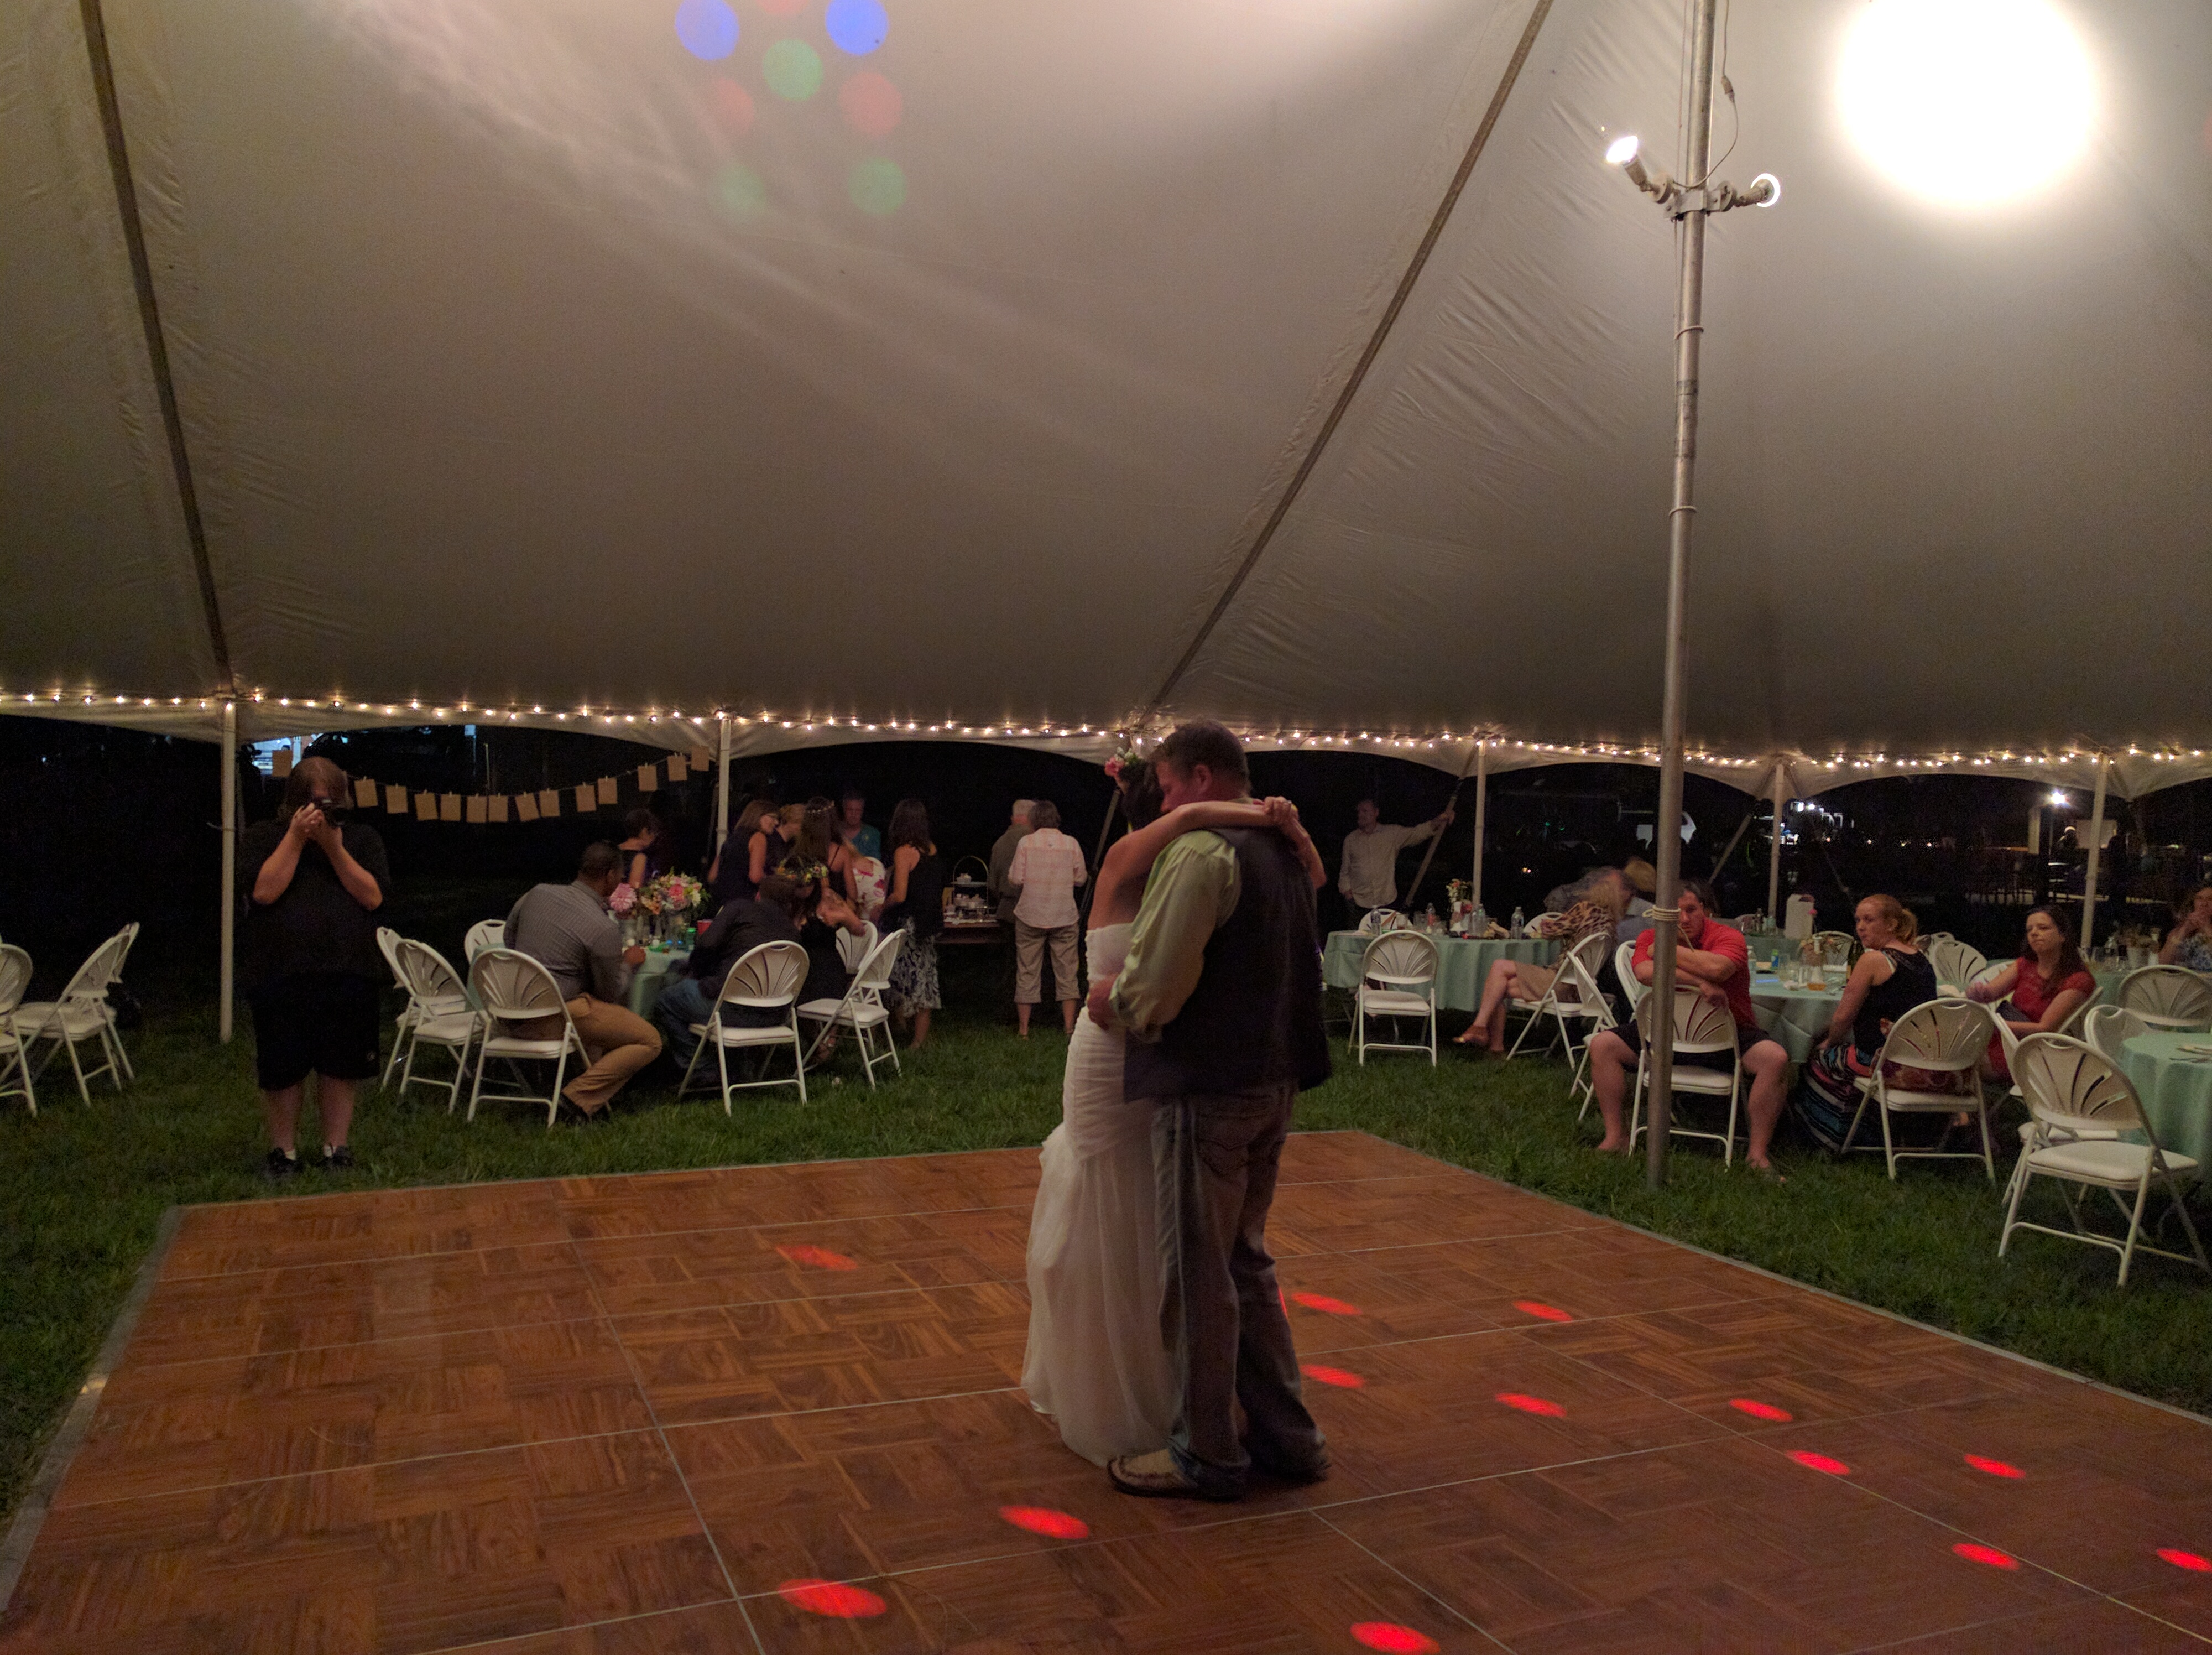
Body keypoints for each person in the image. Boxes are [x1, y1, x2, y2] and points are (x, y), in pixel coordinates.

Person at [1025, 756, 1323, 1467]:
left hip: (1168, 1053)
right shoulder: (1131, 859)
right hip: (1110, 1056)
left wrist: (1285, 826)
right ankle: (1138, 1390)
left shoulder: (1190, 869)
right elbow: (1190, 813)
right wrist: (1266, 813)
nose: (1171, 806)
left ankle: (1186, 1405)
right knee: (1123, 1202)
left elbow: (1301, 878)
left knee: (1178, 1229)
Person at [1583, 879, 1794, 1181]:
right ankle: (1616, 1137)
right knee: (1602, 1045)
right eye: (1675, 912)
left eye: (1691, 910)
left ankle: (1757, 1155)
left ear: (1705, 910)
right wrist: (1698, 982)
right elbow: (1644, 972)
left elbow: (1718, 969)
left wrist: (1664, 950)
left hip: (1729, 1036)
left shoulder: (1727, 936)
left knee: (1776, 1059)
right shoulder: (1648, 936)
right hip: (1662, 1036)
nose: (1683, 919)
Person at [239, 757, 389, 1178]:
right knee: (282, 1068)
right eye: (314, 804)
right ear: (294, 803)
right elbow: (264, 892)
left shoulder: (361, 839)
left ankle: (336, 1148)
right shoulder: (264, 836)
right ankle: (283, 1152)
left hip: (348, 969)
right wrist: (295, 837)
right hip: (280, 971)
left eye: (331, 804)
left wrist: (333, 847)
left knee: (341, 1064)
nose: (322, 814)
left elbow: (373, 897)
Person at [503, 843, 664, 1116]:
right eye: (621, 875)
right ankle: (576, 1098)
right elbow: (611, 993)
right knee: (650, 1040)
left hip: (507, 1009)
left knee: (591, 1009)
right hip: (553, 1017)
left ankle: (569, 1078)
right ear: (610, 875)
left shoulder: (536, 893)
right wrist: (628, 964)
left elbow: (510, 938)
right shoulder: (601, 927)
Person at [1791, 894, 1941, 1153]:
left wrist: (1830, 1042)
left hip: (1881, 1060)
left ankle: (1826, 1137)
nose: (1861, 927)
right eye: (1858, 920)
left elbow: (1843, 1017)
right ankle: (1875, 1128)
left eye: (1869, 920)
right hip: (1925, 1059)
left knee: (1817, 1057)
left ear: (1892, 924)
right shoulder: (1920, 958)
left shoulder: (1874, 960)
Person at [653, 875, 805, 1074]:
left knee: (666, 999)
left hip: (730, 1009)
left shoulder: (740, 908)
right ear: (789, 904)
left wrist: (696, 973)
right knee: (679, 973)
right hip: (775, 1015)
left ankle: (701, 1068)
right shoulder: (794, 934)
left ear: (758, 895)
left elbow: (706, 945)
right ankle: (736, 1065)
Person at [1453, 876, 1626, 1050]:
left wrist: (1547, 924)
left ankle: (1479, 1027)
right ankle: (1495, 1046)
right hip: (1581, 990)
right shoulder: (1611, 924)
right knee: (1497, 988)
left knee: (1499, 967)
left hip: (1561, 983)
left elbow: (1549, 932)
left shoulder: (1585, 909)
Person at [1967, 906, 2096, 1080]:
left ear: (2063, 935)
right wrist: (1976, 992)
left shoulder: (2077, 980)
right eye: (2030, 930)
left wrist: (1994, 1025)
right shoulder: (2025, 965)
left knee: (1955, 1055)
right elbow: (1989, 994)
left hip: (2031, 1051)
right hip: (2005, 1037)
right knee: (1947, 1041)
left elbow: (2045, 1028)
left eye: (2043, 928)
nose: (2034, 933)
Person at [1010, 800, 1089, 1036]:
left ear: (1033, 820)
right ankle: (1069, 1028)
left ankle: (1024, 1030)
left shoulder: (1026, 842)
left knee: (1027, 970)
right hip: (1064, 914)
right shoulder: (1071, 844)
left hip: (1030, 914)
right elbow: (1081, 879)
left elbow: (1016, 879)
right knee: (1067, 972)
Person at [879, 798, 945, 1048]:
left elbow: (900, 895)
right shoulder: (932, 850)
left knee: (899, 978)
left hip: (909, 926)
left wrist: (881, 907)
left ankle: (905, 1033)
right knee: (925, 980)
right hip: (929, 924)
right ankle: (915, 1038)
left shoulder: (904, 852)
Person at [1337, 797, 1453, 929]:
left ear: (1376, 813)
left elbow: (1416, 833)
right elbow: (1345, 870)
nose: (1361, 815)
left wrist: (1437, 821)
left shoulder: (1391, 833)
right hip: (1359, 903)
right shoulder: (1351, 840)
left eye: (1365, 811)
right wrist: (1347, 893)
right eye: (1359, 812)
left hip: (1386, 900)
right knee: (1358, 940)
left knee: (1388, 938)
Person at [707, 798, 774, 905]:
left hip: (721, 900)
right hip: (742, 901)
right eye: (773, 817)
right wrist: (772, 879)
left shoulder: (733, 837)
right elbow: (755, 876)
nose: (776, 822)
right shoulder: (758, 837)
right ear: (759, 816)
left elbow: (712, 876)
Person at [988, 800, 1034, 923]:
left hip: (1006, 912)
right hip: (1032, 913)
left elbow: (992, 885)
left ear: (1013, 818)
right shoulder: (1036, 840)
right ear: (1034, 817)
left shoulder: (1000, 843)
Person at [2159, 885, 2212, 972]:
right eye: (2199, 898)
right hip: (2182, 979)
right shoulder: (2180, 929)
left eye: (2210, 899)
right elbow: (2163, 964)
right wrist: (2183, 931)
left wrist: (2206, 929)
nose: (2204, 904)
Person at [617, 807, 667, 892]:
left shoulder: (613, 850)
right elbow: (635, 890)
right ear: (644, 831)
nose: (654, 837)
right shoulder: (640, 858)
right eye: (655, 832)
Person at [838, 786, 881, 863]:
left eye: (858, 810)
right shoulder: (835, 832)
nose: (854, 815)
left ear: (863, 811)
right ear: (844, 809)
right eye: (850, 810)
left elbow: (875, 864)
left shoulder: (873, 834)